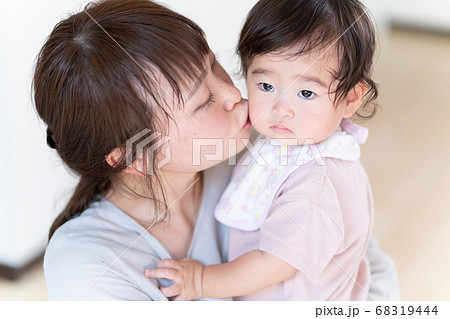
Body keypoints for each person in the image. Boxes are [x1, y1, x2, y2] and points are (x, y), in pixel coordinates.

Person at [35, 0, 399, 300]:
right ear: (136, 155)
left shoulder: (273, 147)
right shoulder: (89, 271)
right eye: (203, 100)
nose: (235, 96)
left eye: (215, 66)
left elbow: (364, 261)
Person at [146, 0, 389, 301]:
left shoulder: (313, 183)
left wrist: (200, 280)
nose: (280, 109)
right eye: (265, 86)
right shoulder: (295, 141)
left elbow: (273, 264)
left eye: (306, 93)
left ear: (352, 99)